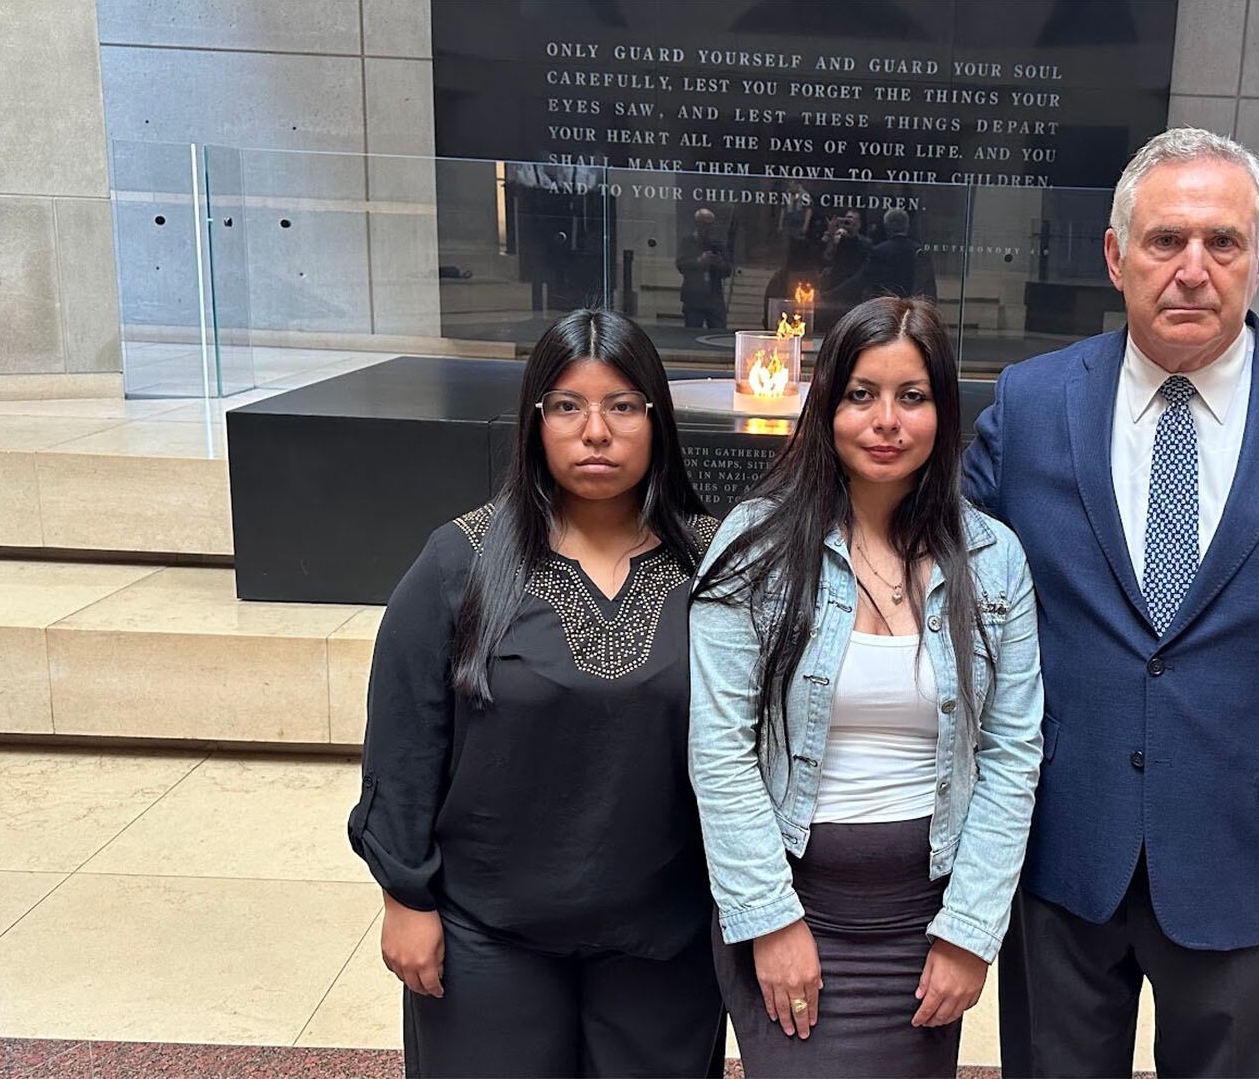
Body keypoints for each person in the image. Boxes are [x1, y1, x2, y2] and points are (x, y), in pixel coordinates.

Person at [966, 128, 1259, 1077]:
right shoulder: (1031, 402)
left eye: (1221, 243)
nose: (1192, 270)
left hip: (1251, 859)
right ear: (1115, 254)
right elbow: (930, 574)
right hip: (1060, 847)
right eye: (1165, 240)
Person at [348, 308, 727, 1077]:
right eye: (567, 406)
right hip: (488, 936)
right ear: (535, 422)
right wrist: (406, 897)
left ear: (657, 421)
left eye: (622, 406)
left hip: (664, 939)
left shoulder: (715, 563)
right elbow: (403, 741)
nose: (596, 432)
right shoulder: (462, 560)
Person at [690, 296, 1044, 1077]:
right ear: (827, 407)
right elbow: (719, 750)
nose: (887, 420)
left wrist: (968, 931)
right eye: (861, 395)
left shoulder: (995, 560)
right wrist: (770, 920)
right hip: (794, 913)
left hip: (927, 925)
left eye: (911, 397)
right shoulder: (754, 546)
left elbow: (1013, 754)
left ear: (943, 412)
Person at [841, 208, 938, 300]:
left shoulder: (879, 252)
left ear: (886, 226)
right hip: (912, 308)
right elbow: (929, 287)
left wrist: (830, 294)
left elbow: (860, 280)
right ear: (907, 225)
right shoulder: (919, 252)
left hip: (887, 308)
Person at [677, 208, 732, 329]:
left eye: (709, 224)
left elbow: (728, 270)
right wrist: (700, 261)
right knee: (691, 334)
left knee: (718, 332)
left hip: (714, 297)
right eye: (703, 224)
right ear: (697, 224)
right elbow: (681, 265)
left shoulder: (717, 244)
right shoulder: (687, 242)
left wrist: (719, 263)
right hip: (693, 297)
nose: (707, 228)